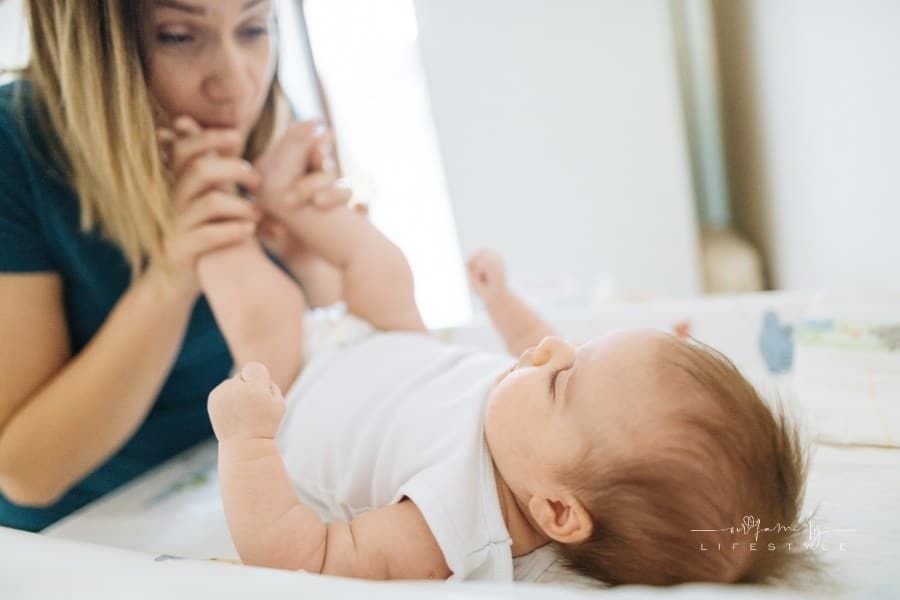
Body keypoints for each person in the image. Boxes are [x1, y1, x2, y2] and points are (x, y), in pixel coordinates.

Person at [199, 163, 817, 585]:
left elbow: (306, 557)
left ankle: (205, 202)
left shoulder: (450, 523)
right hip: (391, 343)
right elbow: (540, 344)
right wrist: (502, 302)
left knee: (268, 308)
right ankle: (284, 192)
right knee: (384, 265)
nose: (548, 350)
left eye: (560, 381)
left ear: (556, 512)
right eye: (577, 348)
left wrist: (247, 441)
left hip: (294, 392)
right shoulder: (538, 433)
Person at [0, 0, 348, 531]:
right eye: (179, 36)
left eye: (254, 28)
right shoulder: (16, 145)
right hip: (81, 528)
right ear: (93, 48)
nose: (235, 84)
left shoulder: (267, 118)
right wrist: (170, 280)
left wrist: (314, 252)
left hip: (227, 475)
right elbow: (26, 472)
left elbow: (331, 338)